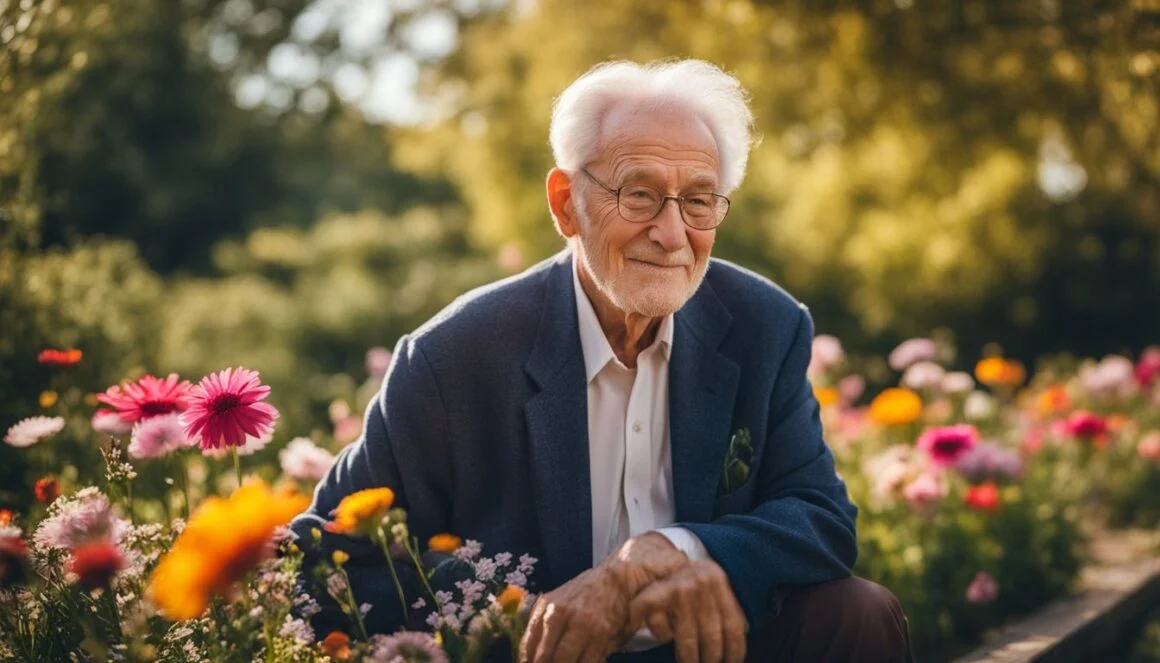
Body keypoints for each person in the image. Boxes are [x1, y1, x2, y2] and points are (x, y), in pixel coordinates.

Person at [290, 59, 913, 663]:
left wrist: (675, 551)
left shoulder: (765, 325)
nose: (672, 235)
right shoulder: (454, 355)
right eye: (639, 194)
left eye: (699, 200)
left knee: (858, 613)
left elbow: (820, 517)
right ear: (566, 203)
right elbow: (327, 554)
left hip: (709, 648)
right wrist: (525, 612)